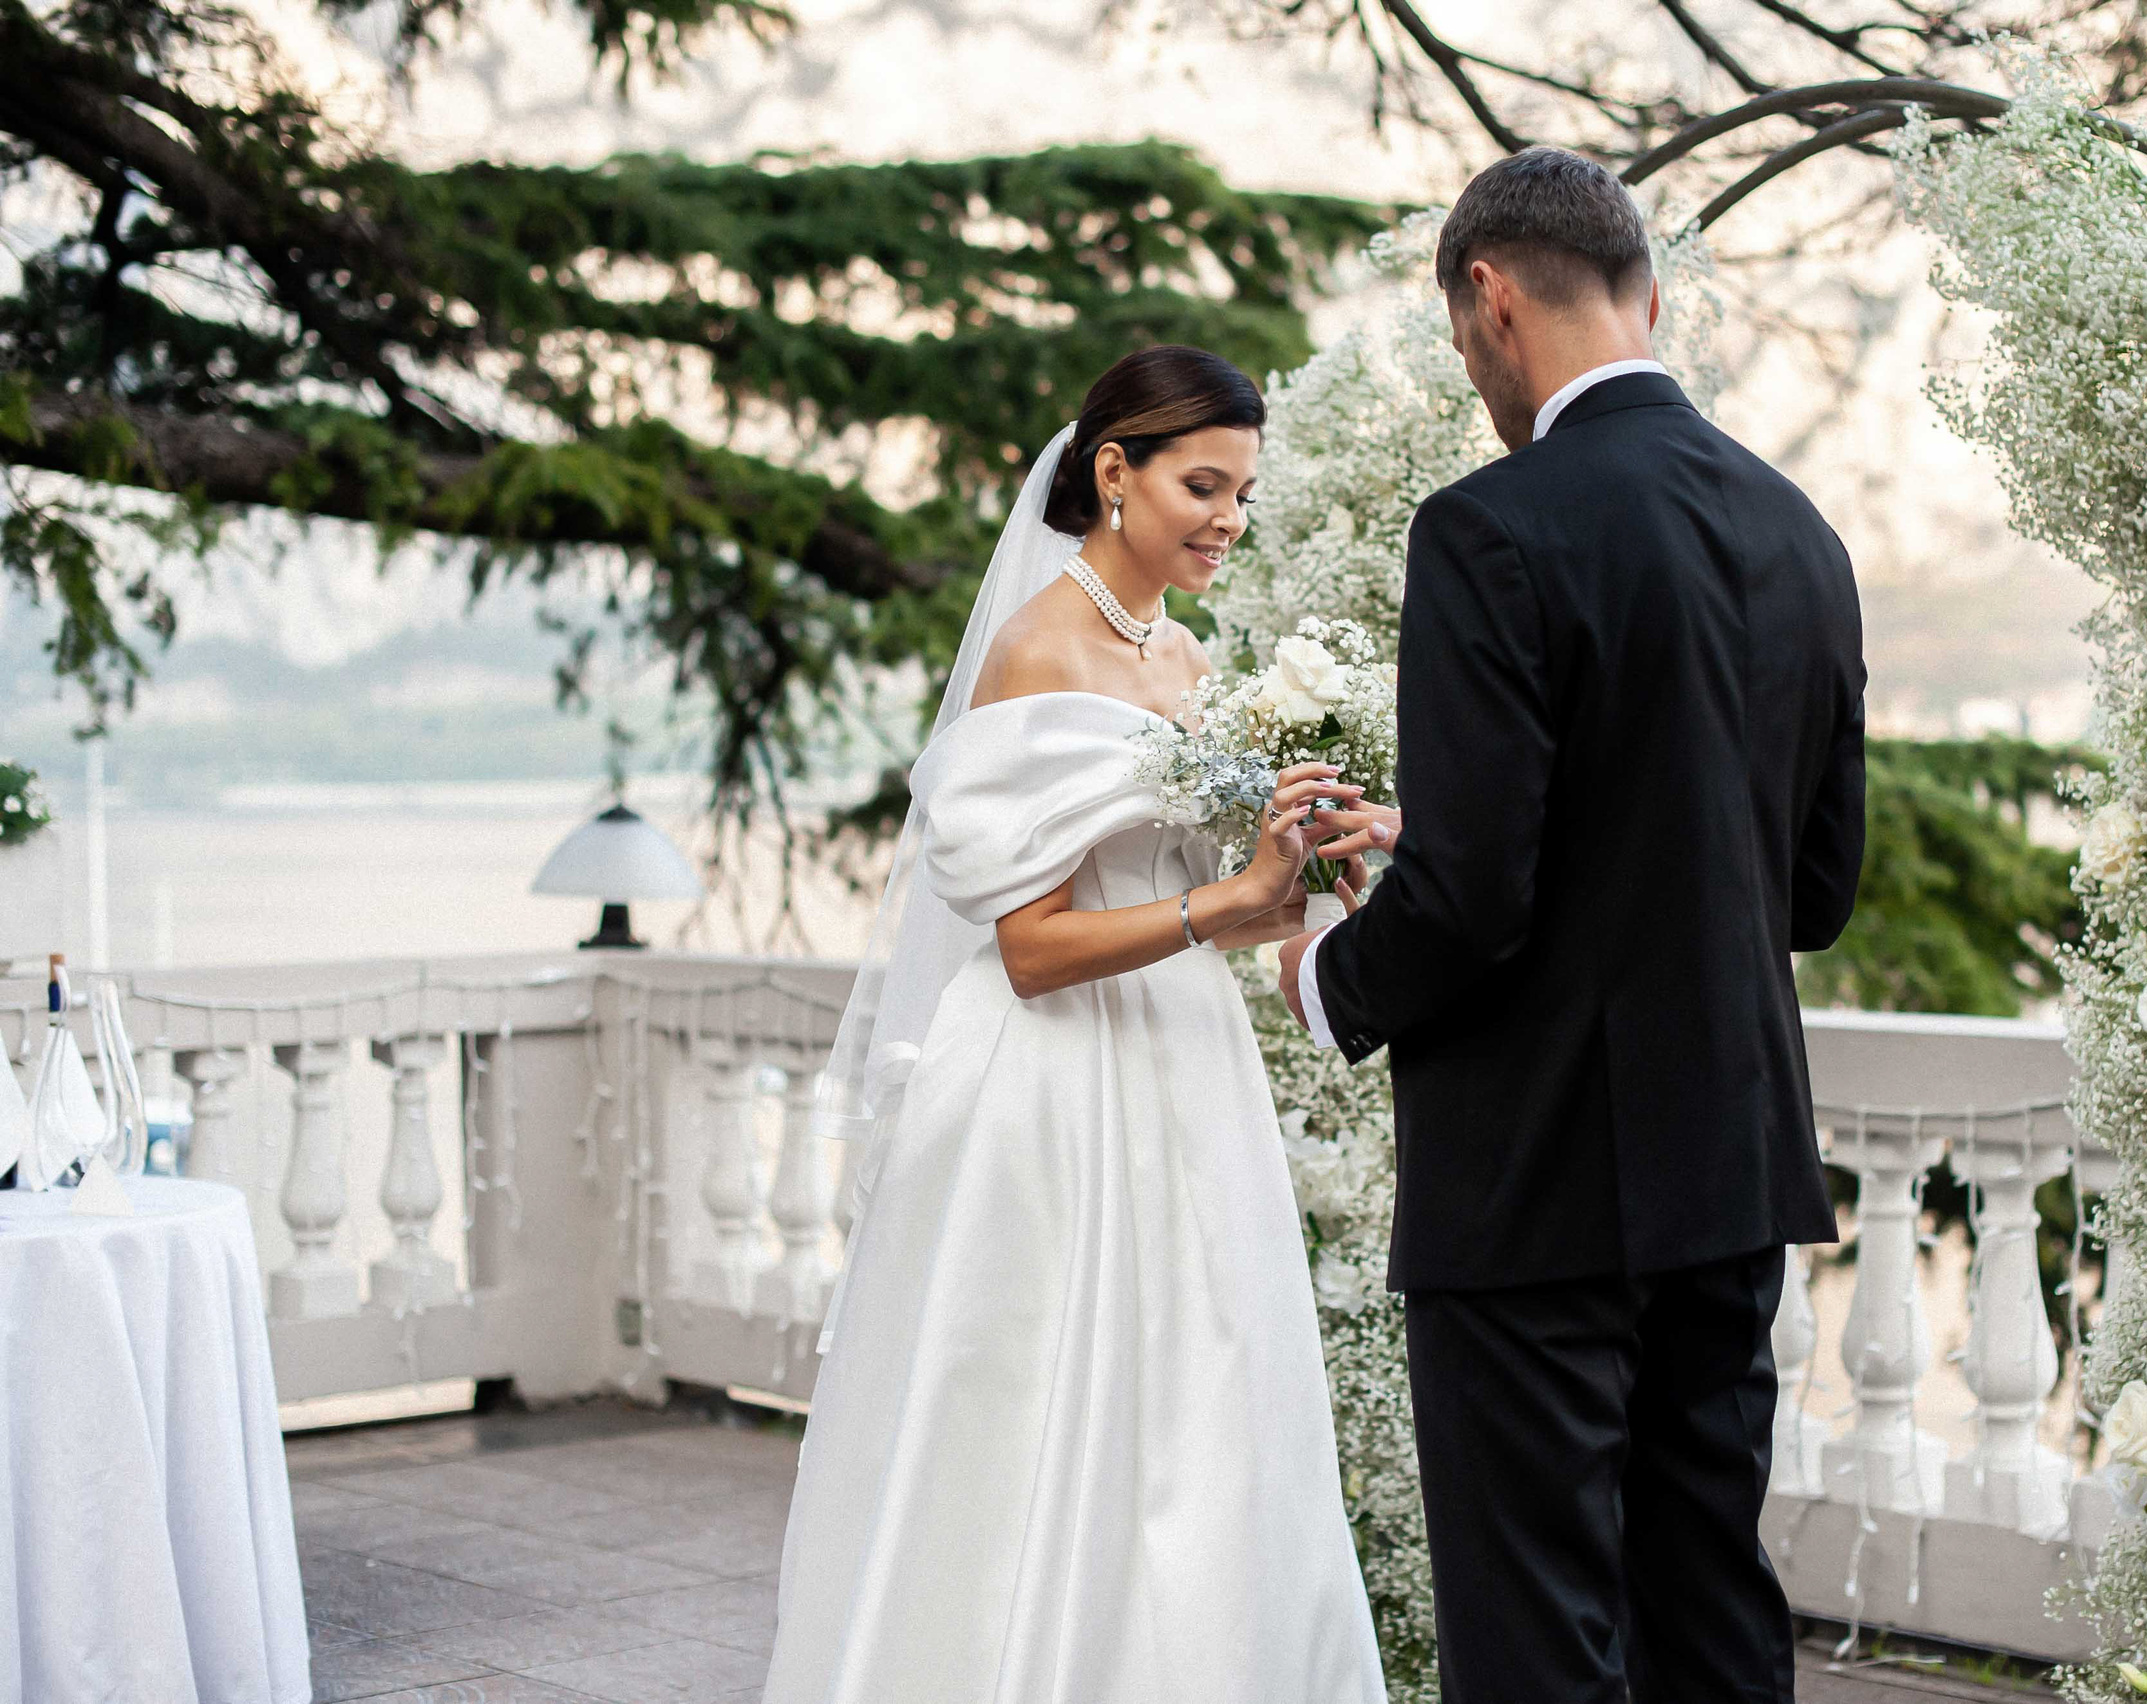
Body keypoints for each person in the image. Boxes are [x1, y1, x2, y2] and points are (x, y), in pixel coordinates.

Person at [1278, 147, 1867, 1704]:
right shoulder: (1803, 533)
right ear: (1648, 297)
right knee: (1708, 1605)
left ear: (1487, 299)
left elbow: (1472, 905)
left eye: (1460, 335)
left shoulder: (1489, 530)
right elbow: (1810, 892)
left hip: (1537, 1183)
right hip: (1730, 1169)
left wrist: (1326, 978)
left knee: (1539, 1629)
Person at [767, 346, 1389, 1704]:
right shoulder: (1039, 647)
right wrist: (1223, 906)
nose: (1228, 518)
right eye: (1202, 485)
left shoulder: (1187, 654)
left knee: (1206, 1420)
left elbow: (1217, 888)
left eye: (1243, 493)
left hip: (1183, 1071)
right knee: (1038, 1430)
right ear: (1115, 471)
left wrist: (1305, 871)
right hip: (1052, 1089)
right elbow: (1035, 948)